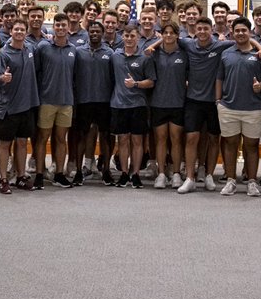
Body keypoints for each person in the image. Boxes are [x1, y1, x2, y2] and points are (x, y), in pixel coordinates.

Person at [177, 18, 237, 192]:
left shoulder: (220, 45)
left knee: (213, 138)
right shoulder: (188, 44)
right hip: (193, 101)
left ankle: (209, 175)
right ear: (195, 30)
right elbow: (169, 38)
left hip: (214, 101)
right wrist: (152, 46)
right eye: (199, 29)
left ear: (211, 30)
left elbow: (246, 40)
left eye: (205, 28)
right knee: (191, 138)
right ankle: (189, 177)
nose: (202, 31)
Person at [216, 18, 261, 196]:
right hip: (228, 107)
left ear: (250, 32)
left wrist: (260, 85)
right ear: (232, 32)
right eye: (237, 30)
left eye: (244, 30)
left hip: (253, 108)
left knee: (252, 146)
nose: (240, 33)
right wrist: (218, 101)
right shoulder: (226, 53)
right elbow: (219, 78)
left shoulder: (259, 54)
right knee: (230, 145)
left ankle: (252, 181)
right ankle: (231, 180)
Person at [0, 19, 39, 194]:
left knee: (22, 143)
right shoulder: (4, 53)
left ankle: (21, 176)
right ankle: (4, 179)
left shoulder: (30, 49)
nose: (19, 32)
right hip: (8, 107)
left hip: (27, 106)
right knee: (4, 144)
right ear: (11, 31)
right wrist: (2, 79)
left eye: (22, 29)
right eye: (16, 29)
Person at [34, 14, 78, 188]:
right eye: (57, 25)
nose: (60, 28)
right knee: (42, 138)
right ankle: (39, 174)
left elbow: (75, 76)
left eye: (63, 25)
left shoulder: (73, 49)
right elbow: (36, 72)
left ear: (68, 28)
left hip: (66, 101)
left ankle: (59, 173)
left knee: (61, 139)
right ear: (53, 26)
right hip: (47, 100)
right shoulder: (43, 47)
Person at [110, 23, 156, 186]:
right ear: (122, 37)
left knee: (137, 141)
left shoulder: (145, 57)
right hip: (119, 105)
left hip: (138, 105)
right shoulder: (115, 56)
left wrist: (135, 84)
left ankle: (135, 173)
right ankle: (123, 173)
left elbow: (151, 82)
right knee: (122, 140)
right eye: (126, 36)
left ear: (138, 37)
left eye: (133, 36)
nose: (129, 39)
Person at [72, 20, 115, 185]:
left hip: (104, 101)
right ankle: (78, 171)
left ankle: (106, 171)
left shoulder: (110, 53)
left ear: (102, 33)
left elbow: (113, 78)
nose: (94, 34)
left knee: (105, 136)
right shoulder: (78, 52)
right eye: (92, 31)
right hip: (84, 101)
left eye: (98, 31)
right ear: (88, 33)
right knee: (81, 136)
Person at [148, 22, 188, 189]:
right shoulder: (155, 54)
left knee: (176, 139)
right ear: (161, 35)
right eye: (166, 32)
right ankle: (162, 173)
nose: (169, 35)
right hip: (158, 103)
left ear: (177, 35)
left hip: (178, 103)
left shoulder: (184, 54)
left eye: (172, 32)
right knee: (161, 139)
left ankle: (177, 173)